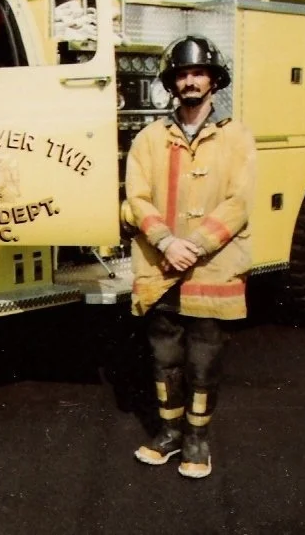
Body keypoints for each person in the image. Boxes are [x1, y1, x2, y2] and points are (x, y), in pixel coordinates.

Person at [125, 34, 256, 479]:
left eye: (199, 72)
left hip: (212, 268)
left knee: (203, 360)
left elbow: (239, 203)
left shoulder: (237, 138)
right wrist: (166, 242)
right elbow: (135, 197)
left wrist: (194, 245)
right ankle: (168, 432)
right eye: (182, 74)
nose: (190, 81)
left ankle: (197, 440)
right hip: (160, 268)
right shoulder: (148, 139)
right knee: (165, 358)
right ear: (172, 83)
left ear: (214, 80)